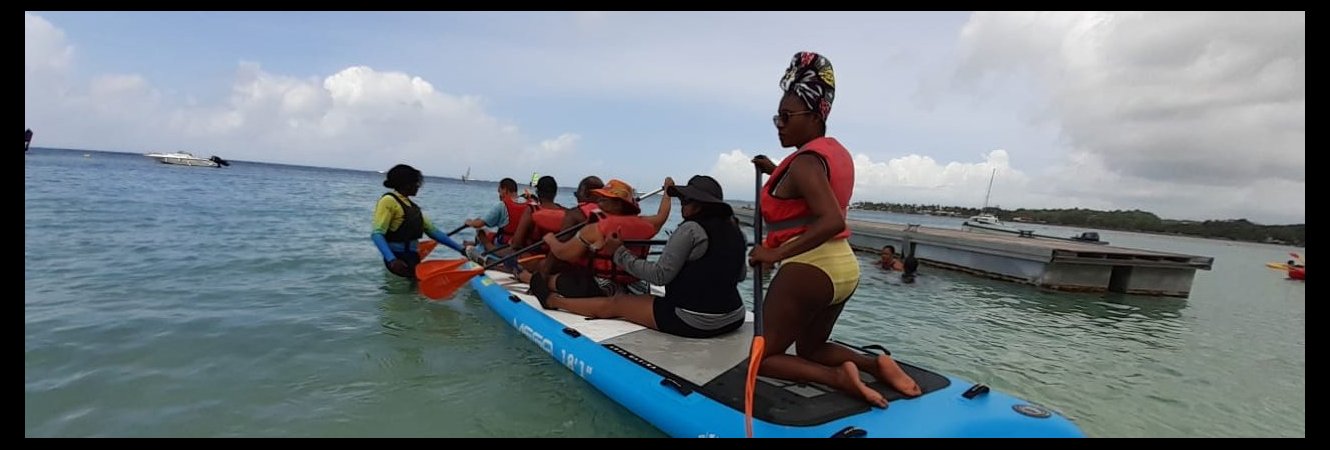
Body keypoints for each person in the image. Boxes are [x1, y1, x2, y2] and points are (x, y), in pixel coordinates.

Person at [748, 51, 920, 408]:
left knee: (762, 358)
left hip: (810, 267)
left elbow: (831, 220)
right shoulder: (827, 154)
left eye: (786, 116)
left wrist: (774, 254)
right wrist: (774, 169)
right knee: (811, 348)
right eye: (777, 117)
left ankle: (839, 378)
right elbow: (807, 195)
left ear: (814, 116)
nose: (779, 124)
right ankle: (876, 365)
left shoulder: (804, 163)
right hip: (844, 268)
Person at [542, 175, 747, 338]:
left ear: (701, 204)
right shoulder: (737, 230)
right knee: (643, 298)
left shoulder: (690, 229)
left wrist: (618, 252)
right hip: (735, 315)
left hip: (694, 321)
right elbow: (740, 275)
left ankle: (553, 301)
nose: (682, 204)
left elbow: (659, 276)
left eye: (686, 199)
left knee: (618, 303)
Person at [530, 178, 673, 300]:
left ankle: (526, 277)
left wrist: (551, 240)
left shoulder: (595, 229)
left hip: (601, 289)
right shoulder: (647, 223)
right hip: (636, 287)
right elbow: (662, 215)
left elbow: (565, 254)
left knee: (552, 278)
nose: (599, 200)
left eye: (605, 198)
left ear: (618, 204)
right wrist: (667, 192)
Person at [371, 164, 466, 279]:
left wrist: (462, 250)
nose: (418, 186)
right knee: (405, 287)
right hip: (397, 259)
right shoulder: (388, 201)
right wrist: (392, 260)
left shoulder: (412, 206)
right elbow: (377, 234)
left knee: (413, 289)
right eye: (416, 183)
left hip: (412, 257)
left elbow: (433, 231)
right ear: (406, 184)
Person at [465, 177, 527, 254]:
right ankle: (474, 244)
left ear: (505, 190)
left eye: (499, 191)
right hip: (523, 242)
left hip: (505, 243)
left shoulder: (502, 205)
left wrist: (470, 222)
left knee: (480, 232)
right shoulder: (529, 204)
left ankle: (481, 250)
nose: (499, 195)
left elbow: (479, 224)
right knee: (488, 233)